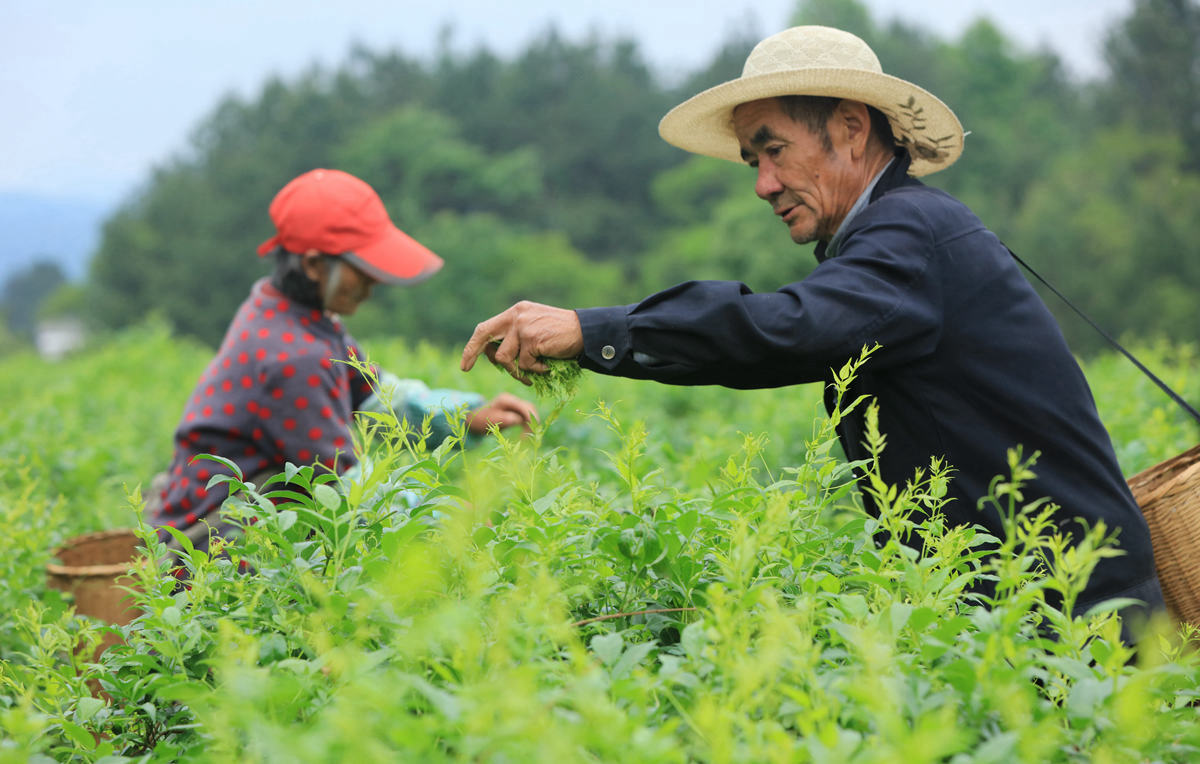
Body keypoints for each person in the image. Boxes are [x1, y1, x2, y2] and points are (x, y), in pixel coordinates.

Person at [460, 26, 1163, 640]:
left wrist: (593, 330)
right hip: (1014, 603)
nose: (763, 185)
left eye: (774, 151)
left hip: (1068, 615)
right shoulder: (901, 236)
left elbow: (787, 328)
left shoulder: (911, 236)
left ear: (852, 128)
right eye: (752, 161)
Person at [149, 168, 536, 553]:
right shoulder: (294, 358)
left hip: (234, 520)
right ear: (315, 265)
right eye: (362, 269)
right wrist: (445, 513)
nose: (374, 282)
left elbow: (379, 398)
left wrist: (467, 415)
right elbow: (345, 485)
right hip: (209, 550)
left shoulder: (291, 312)